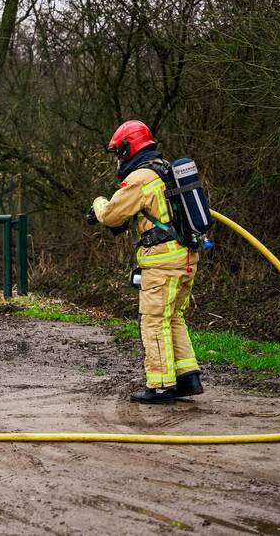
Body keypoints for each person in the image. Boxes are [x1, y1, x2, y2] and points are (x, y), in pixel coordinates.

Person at [90, 120, 204, 404]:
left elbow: (111, 215)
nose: (118, 159)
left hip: (163, 263)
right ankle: (188, 377)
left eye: (118, 152)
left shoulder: (141, 178)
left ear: (128, 149)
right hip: (186, 257)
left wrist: (98, 203)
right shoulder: (165, 169)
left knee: (153, 322)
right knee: (173, 317)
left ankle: (161, 386)